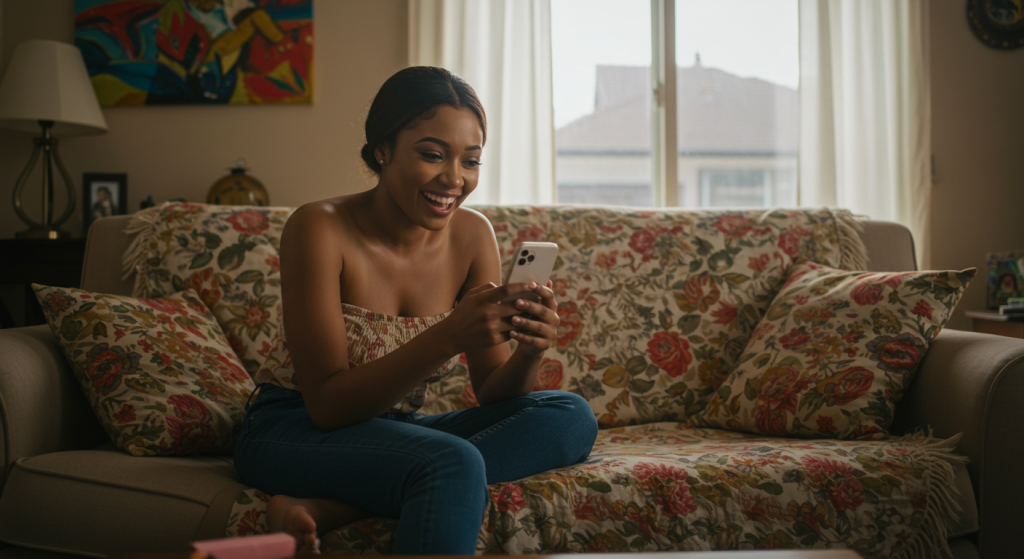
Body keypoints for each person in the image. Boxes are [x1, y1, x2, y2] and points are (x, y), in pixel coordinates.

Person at [232, 66, 598, 555]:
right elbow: (327, 406)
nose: (454, 178)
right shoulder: (319, 227)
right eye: (432, 155)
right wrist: (448, 335)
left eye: (471, 161)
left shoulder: (472, 236)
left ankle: (332, 508)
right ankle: (387, 486)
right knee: (451, 462)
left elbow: (493, 391)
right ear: (383, 148)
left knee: (568, 415)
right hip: (291, 430)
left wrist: (530, 350)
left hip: (392, 433)